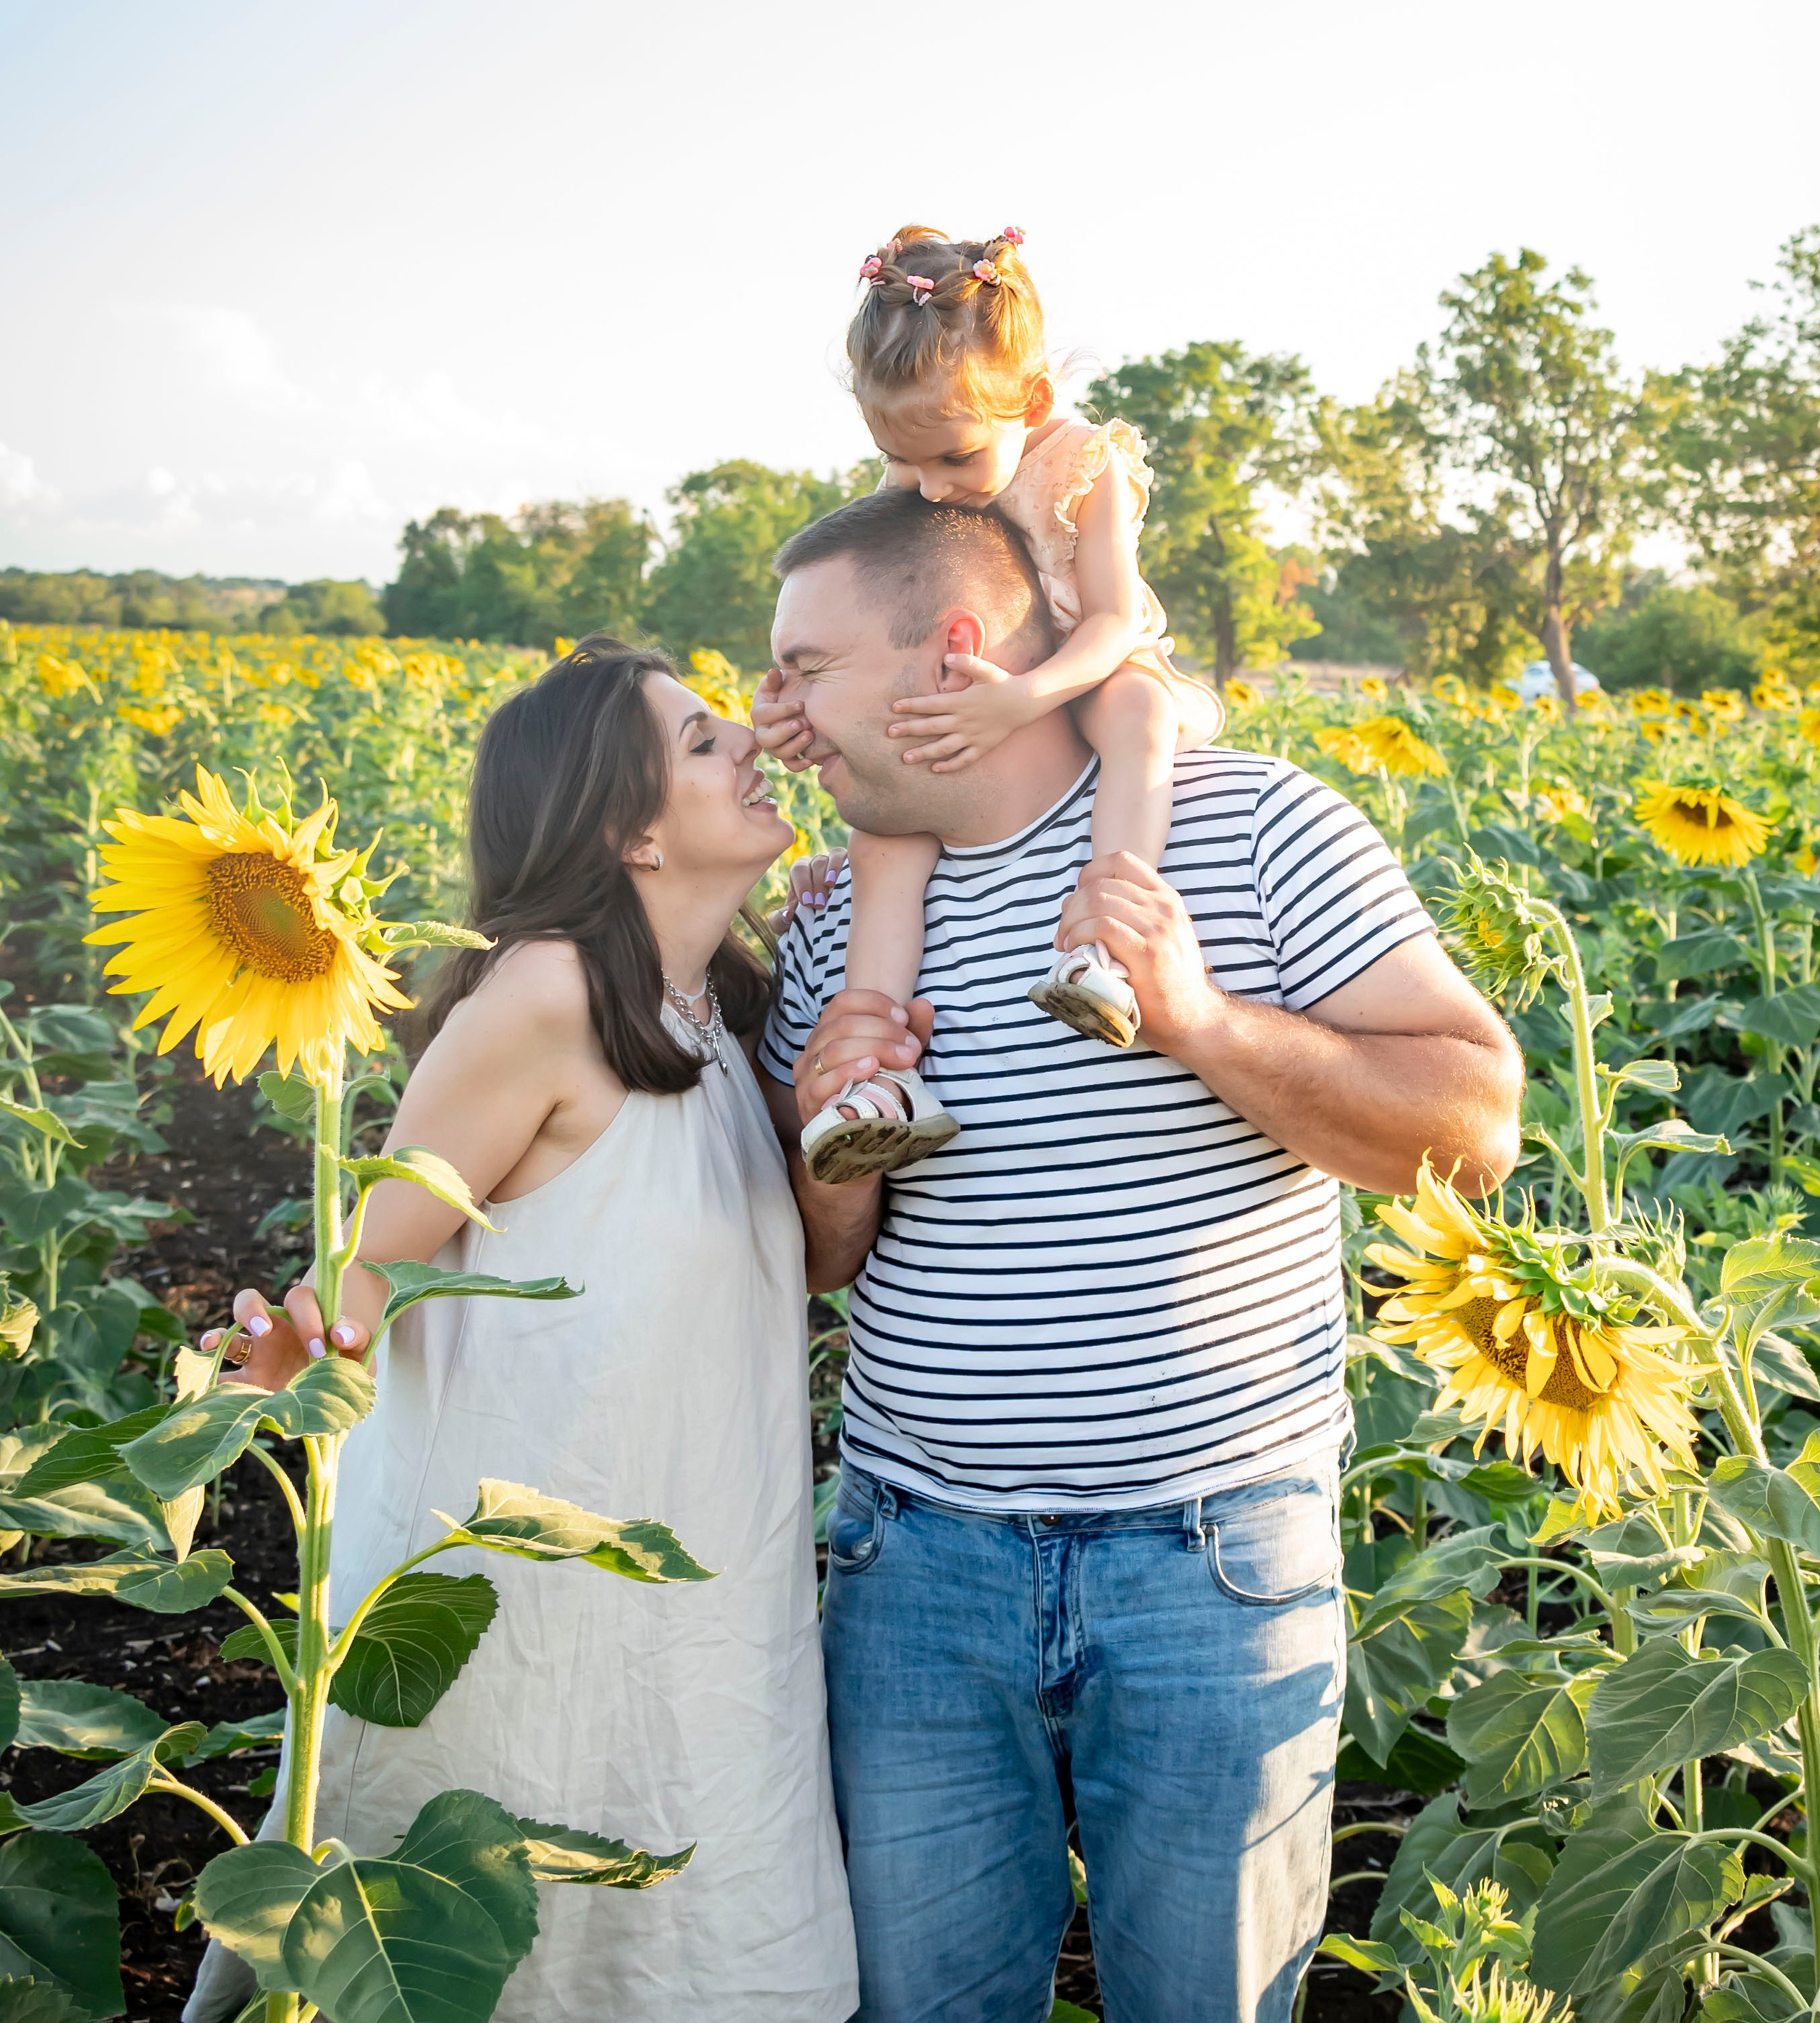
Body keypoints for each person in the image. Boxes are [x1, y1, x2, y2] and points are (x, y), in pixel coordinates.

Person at [754, 489, 1525, 2023]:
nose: (771, 710)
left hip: (1208, 1565)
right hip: (915, 1566)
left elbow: (1471, 1126)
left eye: (802, 667)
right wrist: (826, 1129)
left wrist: (1202, 1020)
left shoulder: (1249, 825)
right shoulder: (844, 920)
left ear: (949, 655)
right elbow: (822, 1261)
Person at [186, 639, 857, 2023]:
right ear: (626, 826)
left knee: (684, 1916)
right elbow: (368, 1271)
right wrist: (283, 1349)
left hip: (698, 1569)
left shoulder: (723, 1012)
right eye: (700, 741)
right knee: (487, 1936)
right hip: (523, 1583)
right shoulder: (544, 997)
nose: (748, 744)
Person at [753, 222, 1224, 1184]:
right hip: (985, 694)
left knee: (1137, 718)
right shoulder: (930, 455)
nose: (930, 490)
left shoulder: (1084, 460)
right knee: (892, 833)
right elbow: (859, 618)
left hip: (1080, 668)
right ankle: (874, 1077)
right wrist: (797, 703)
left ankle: (1107, 946)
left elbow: (1108, 620)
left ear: (1034, 400)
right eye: (902, 463)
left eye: (954, 462)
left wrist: (1025, 702)